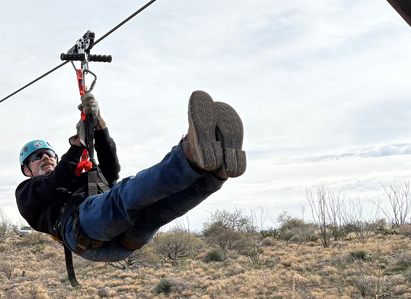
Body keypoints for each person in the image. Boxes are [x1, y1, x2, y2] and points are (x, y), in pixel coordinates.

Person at [16, 90, 244, 262]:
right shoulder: (26, 193)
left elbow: (111, 170)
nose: (45, 158)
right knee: (123, 195)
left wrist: (99, 128)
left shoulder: (77, 176)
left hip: (124, 240)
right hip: (83, 231)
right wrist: (77, 146)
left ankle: (214, 174)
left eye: (48, 154)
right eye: (37, 157)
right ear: (27, 170)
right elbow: (53, 184)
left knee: (163, 208)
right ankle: (189, 153)